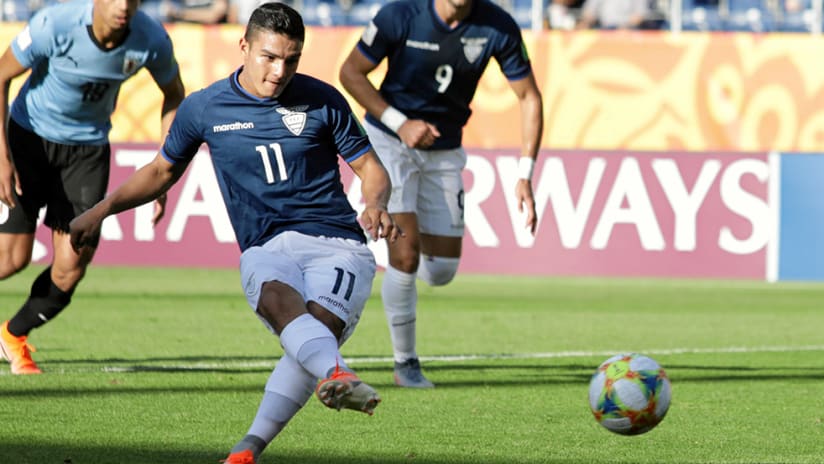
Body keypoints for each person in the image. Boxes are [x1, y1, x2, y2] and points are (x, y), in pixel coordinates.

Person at [69, 3, 397, 463]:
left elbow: (370, 168)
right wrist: (100, 211)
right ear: (244, 46)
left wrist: (377, 203)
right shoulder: (204, 107)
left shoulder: (323, 99)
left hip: (337, 243)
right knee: (283, 307)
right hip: (266, 245)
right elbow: (162, 170)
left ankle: (252, 445)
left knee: (313, 335)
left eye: (291, 59)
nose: (279, 71)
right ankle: (327, 383)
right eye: (269, 57)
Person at [339, 0, 542, 388]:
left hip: (445, 152)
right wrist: (401, 123)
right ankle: (406, 364)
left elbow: (529, 96)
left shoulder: (497, 26)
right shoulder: (398, 15)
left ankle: (393, 258)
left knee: (442, 272)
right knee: (406, 254)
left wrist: (525, 173)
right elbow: (351, 73)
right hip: (390, 142)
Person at [0, 0, 185, 375]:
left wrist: (165, 167)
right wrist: (1, 155)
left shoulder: (151, 39)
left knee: (71, 266)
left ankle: (13, 335)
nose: (123, 6)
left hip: (87, 152)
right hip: (28, 140)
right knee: (12, 259)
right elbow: (0, 74)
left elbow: (175, 94)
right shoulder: (56, 23)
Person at [575, 0, 649, 29]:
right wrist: (585, 22)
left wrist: (625, 28)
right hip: (603, 28)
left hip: (629, 29)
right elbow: (589, 12)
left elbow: (639, 16)